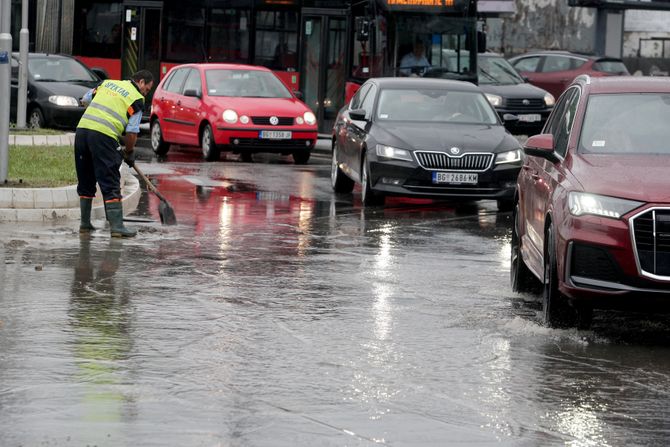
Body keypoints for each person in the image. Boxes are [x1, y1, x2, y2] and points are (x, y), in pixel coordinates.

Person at [75, 70, 154, 238]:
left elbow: (85, 100)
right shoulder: (137, 99)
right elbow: (132, 133)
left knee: (86, 178)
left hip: (82, 132)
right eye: (146, 89)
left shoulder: (107, 83)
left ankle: (85, 224)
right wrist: (129, 151)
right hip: (103, 137)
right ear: (140, 82)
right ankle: (117, 227)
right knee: (110, 180)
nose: (145, 93)